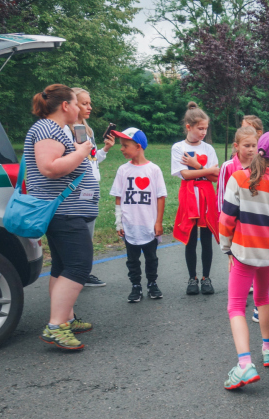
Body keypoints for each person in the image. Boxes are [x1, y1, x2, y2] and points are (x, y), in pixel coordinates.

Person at [25, 84, 98, 350]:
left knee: (61, 266)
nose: (80, 109)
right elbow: (49, 168)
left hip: (65, 210)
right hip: (65, 211)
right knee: (79, 265)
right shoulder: (47, 128)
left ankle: (65, 317)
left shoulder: (54, 129)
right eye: (76, 104)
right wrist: (80, 152)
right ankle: (56, 326)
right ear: (65, 106)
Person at [219, 132, 269, 389]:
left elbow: (227, 219)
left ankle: (244, 364)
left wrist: (227, 249)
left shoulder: (238, 179)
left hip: (244, 252)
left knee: (236, 307)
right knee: (263, 298)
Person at [62, 87, 115, 288]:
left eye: (89, 103)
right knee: (81, 236)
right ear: (72, 105)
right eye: (84, 103)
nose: (89, 107)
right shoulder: (68, 131)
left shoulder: (86, 130)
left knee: (88, 235)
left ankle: (83, 272)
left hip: (90, 189)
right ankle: (77, 273)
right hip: (78, 190)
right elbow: (77, 161)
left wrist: (105, 149)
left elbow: (91, 160)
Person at [109, 128, 167, 303]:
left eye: (125, 145)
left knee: (151, 258)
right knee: (132, 260)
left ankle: (152, 283)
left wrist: (158, 222)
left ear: (138, 147)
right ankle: (135, 286)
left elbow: (160, 197)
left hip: (148, 224)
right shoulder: (123, 170)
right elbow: (118, 197)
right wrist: (119, 222)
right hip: (130, 225)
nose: (121, 149)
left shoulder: (154, 170)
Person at [172, 102, 221, 296]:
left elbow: (216, 176)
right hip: (189, 196)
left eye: (205, 128)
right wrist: (203, 170)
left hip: (207, 196)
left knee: (206, 240)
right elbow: (184, 174)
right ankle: (192, 278)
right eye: (200, 128)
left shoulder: (208, 148)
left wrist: (196, 166)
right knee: (190, 240)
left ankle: (206, 278)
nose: (203, 132)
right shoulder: (178, 147)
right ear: (188, 127)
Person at [218, 126, 259, 205]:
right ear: (236, 146)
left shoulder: (259, 166)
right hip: (233, 212)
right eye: (247, 146)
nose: (251, 149)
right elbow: (221, 195)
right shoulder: (227, 166)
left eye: (254, 146)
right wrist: (222, 216)